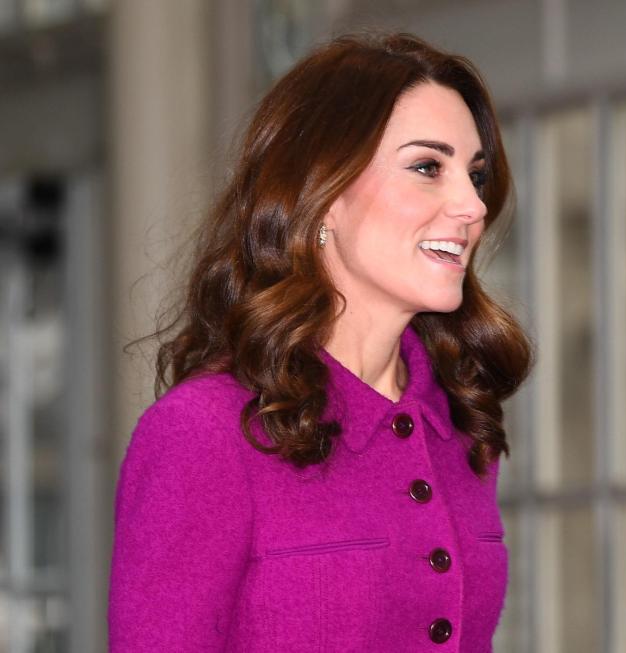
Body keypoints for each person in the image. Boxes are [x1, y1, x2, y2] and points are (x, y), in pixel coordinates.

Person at [108, 32, 532, 652]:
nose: (472, 206)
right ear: (324, 192)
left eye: (474, 175)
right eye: (426, 168)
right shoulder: (203, 434)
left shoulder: (460, 426)